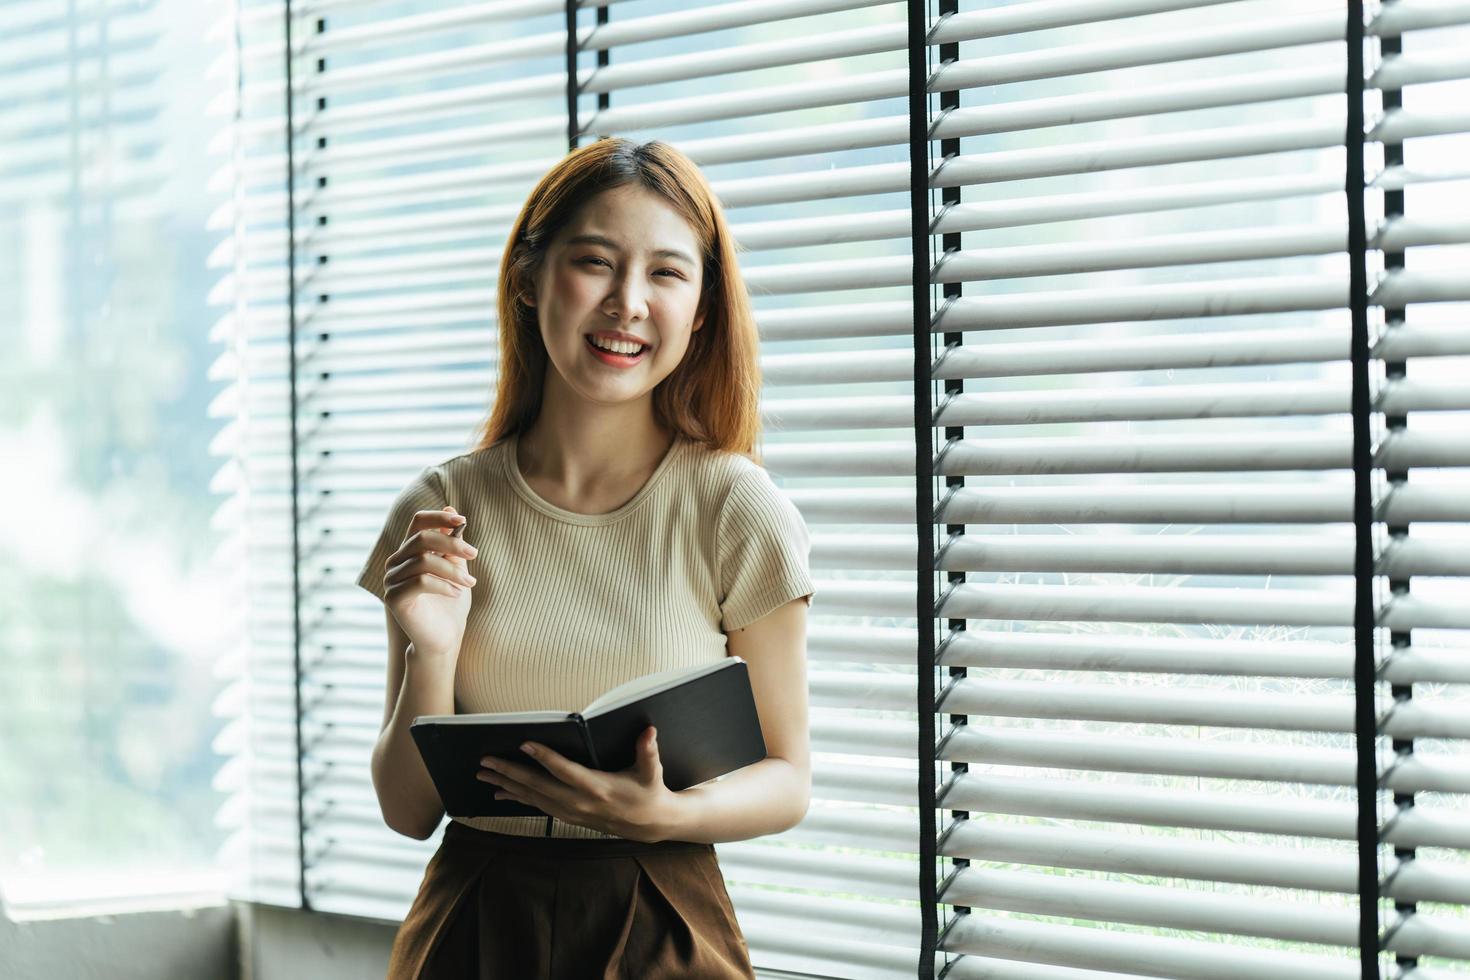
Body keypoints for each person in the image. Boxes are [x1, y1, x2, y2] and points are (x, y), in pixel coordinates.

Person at [355, 135, 816, 980]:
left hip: (663, 916)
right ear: (530, 279)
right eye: (595, 263)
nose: (628, 302)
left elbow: (788, 777)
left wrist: (667, 813)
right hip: (472, 921)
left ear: (704, 307)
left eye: (667, 274)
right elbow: (407, 809)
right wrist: (433, 646)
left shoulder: (736, 508)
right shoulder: (438, 509)